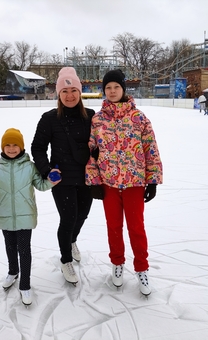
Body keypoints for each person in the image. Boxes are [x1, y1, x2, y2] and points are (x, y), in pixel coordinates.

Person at [85, 69, 163, 296]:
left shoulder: (139, 118)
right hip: (108, 184)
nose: (112, 91)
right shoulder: (98, 119)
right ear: (104, 91)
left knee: (136, 228)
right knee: (114, 228)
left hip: (134, 183)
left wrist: (153, 180)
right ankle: (117, 264)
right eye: (108, 88)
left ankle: (142, 268)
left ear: (123, 89)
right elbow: (92, 151)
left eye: (116, 87)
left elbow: (151, 149)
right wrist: (94, 180)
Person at [0, 128, 61, 306]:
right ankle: (13, 271)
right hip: (5, 216)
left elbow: (41, 185)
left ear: (21, 147)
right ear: (2, 147)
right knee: (10, 247)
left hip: (25, 217)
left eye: (15, 145)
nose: (11, 149)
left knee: (24, 250)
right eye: (8, 145)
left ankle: (25, 285)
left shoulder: (30, 167)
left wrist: (52, 180)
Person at [31, 67, 95, 286]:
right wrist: (47, 170)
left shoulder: (91, 117)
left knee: (82, 215)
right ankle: (65, 258)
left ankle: (73, 241)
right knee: (68, 219)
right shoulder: (49, 119)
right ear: (58, 94)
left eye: (74, 90)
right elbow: (37, 147)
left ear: (80, 92)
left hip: (87, 177)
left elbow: (102, 146)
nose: (70, 95)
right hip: (62, 178)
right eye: (65, 91)